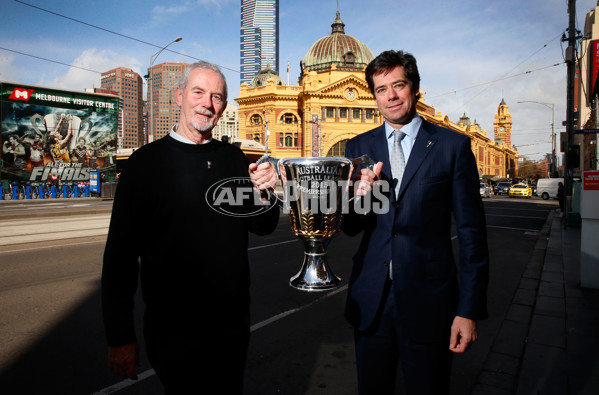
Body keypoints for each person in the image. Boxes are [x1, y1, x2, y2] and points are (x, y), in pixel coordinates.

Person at [101, 61, 279, 393]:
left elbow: (263, 225)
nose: (207, 103)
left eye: (216, 97)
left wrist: (266, 192)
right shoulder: (144, 165)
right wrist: (120, 337)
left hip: (231, 327)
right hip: (173, 330)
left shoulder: (235, 160)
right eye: (198, 92)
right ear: (179, 95)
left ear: (223, 105)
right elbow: (119, 259)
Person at [342, 50, 489, 394]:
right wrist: (359, 197)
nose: (390, 96)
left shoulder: (452, 146)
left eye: (398, 86)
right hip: (371, 302)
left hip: (431, 303)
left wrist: (468, 310)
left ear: (415, 88)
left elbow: (471, 234)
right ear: (374, 96)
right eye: (381, 89)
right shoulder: (358, 146)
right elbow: (350, 227)